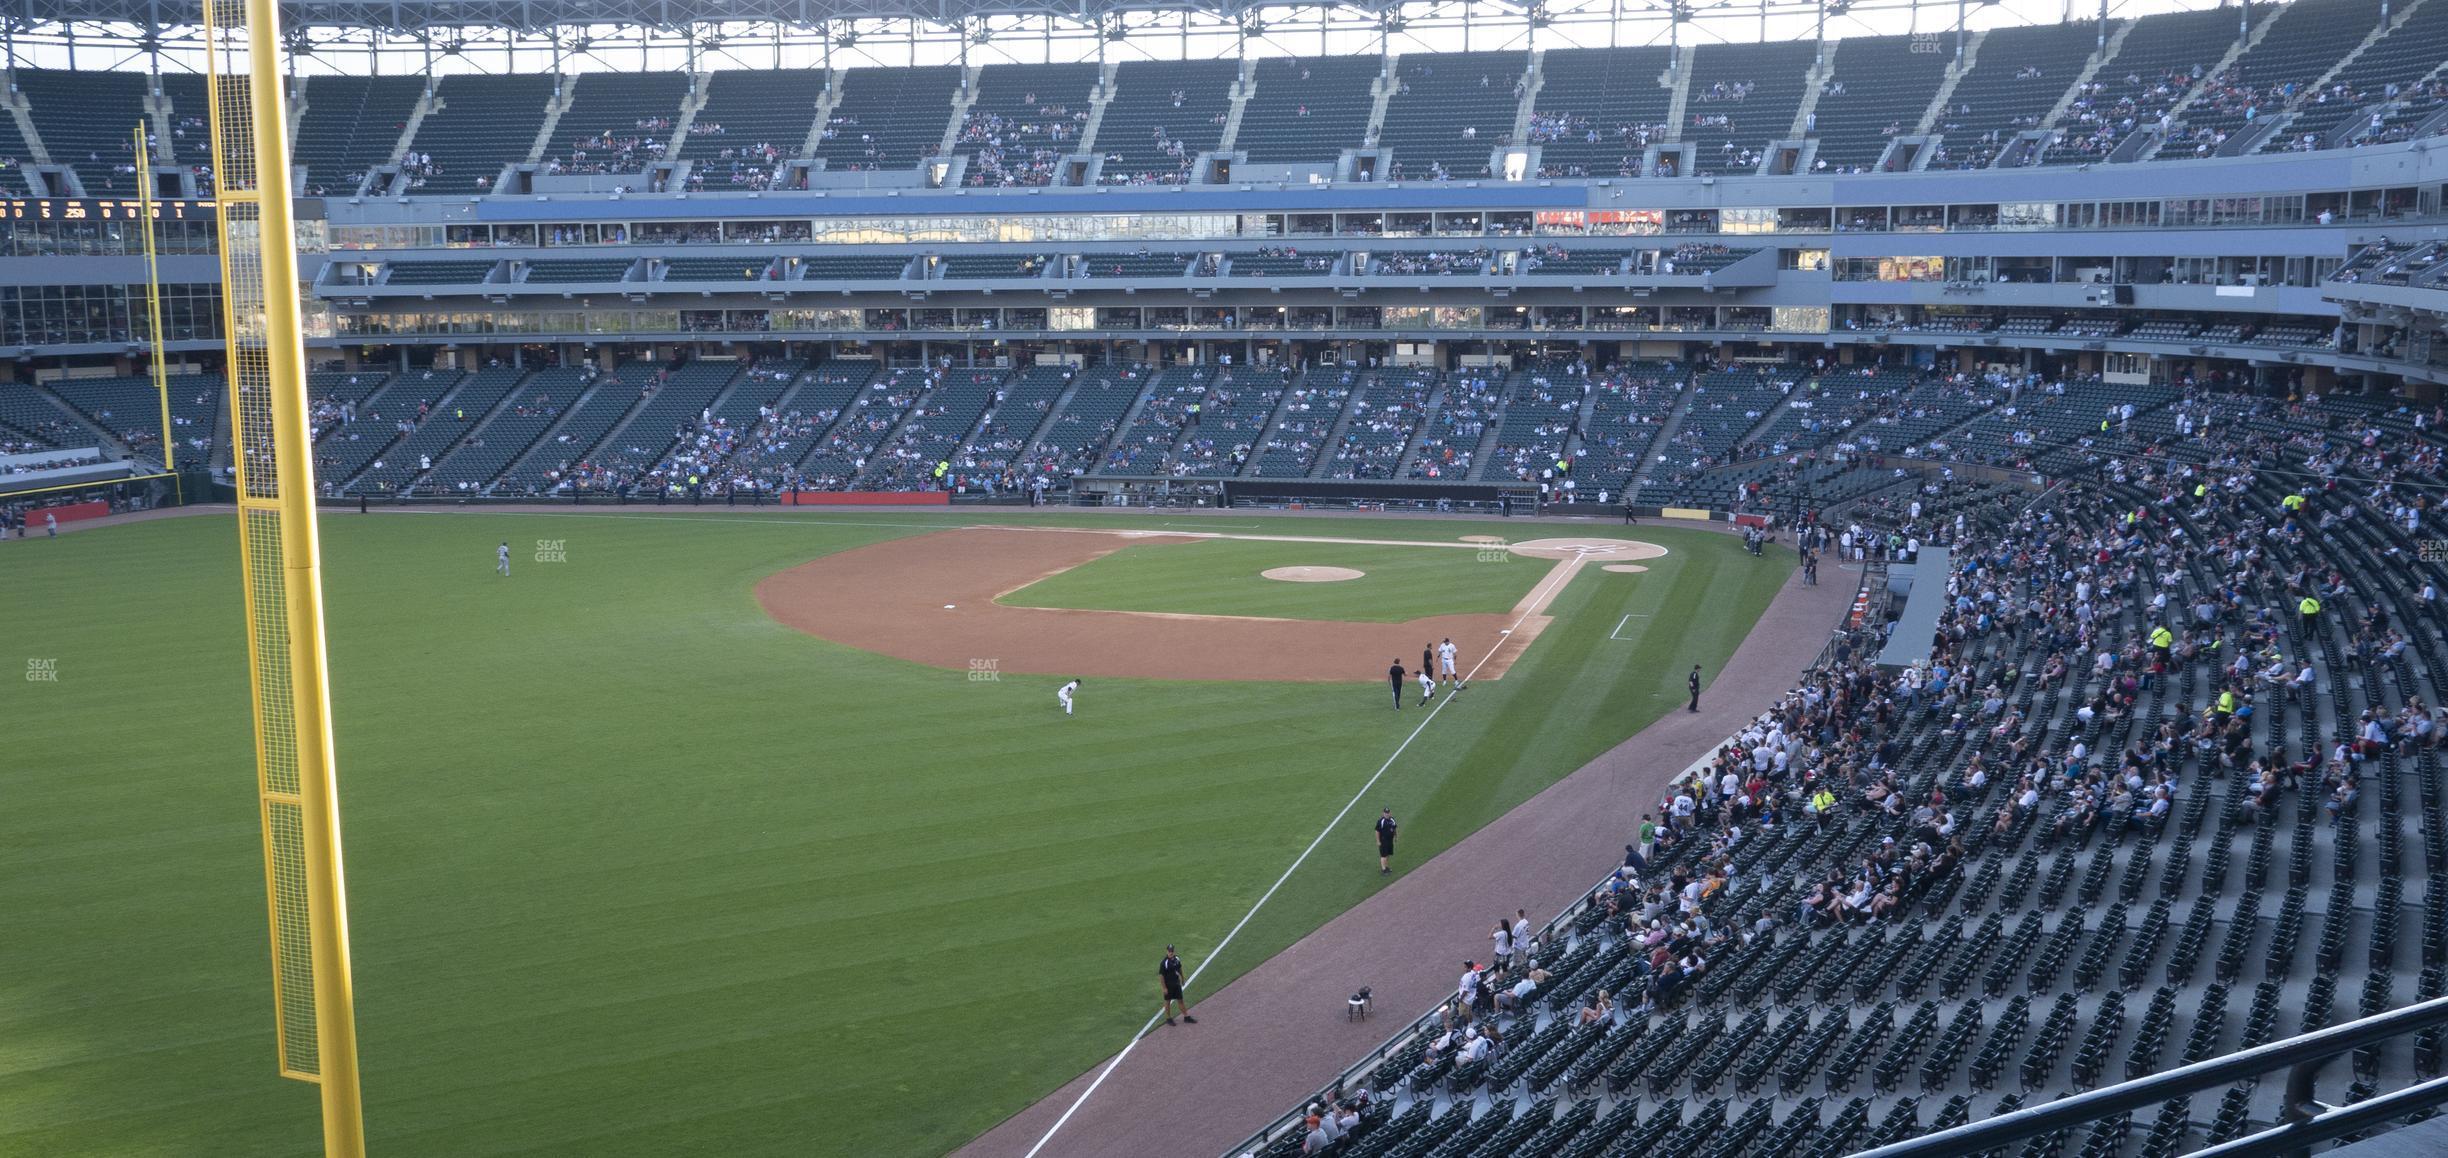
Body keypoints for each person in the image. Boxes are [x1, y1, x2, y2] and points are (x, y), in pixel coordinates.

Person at [1160, 945, 1196, 1025]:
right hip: (1168, 985)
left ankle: (1186, 1017)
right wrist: (1164, 988)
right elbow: (1161, 976)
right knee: (1167, 1001)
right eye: (1169, 951)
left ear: (1174, 951)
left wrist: (1182, 978)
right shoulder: (1164, 962)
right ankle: (1168, 1018)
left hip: (1176, 983)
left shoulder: (1177, 959)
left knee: (1180, 1000)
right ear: (1167, 951)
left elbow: (1179, 968)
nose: (1171, 952)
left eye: (1172, 951)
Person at [1376, 808, 1399, 873]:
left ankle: (1386, 867)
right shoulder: (1381, 821)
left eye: (1388, 812)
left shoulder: (1392, 819)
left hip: (1390, 840)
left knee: (1388, 854)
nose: (1387, 814)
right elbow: (1377, 831)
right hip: (1383, 841)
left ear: (1390, 813)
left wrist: (1396, 836)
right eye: (1385, 813)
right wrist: (1378, 841)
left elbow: (1394, 828)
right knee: (1383, 855)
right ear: (1383, 813)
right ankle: (1384, 870)